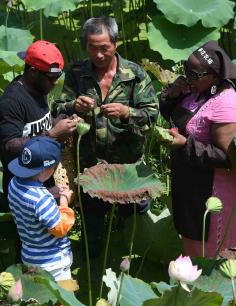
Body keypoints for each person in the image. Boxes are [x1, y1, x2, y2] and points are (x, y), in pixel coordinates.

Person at [52, 16, 159, 258]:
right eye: (92, 47)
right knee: (92, 224)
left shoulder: (134, 74)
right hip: (91, 165)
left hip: (127, 164)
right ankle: (94, 266)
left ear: (116, 44)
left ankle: (134, 263)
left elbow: (152, 116)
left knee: (135, 219)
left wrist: (126, 112)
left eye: (104, 48)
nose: (98, 55)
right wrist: (74, 105)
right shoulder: (77, 73)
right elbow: (57, 108)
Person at [159, 40, 236, 258]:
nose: (187, 78)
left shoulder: (226, 105)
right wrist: (172, 94)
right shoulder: (195, 91)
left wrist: (185, 144)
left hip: (215, 191)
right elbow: (175, 116)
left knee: (214, 254)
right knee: (194, 247)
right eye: (185, 71)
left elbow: (228, 158)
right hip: (192, 185)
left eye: (194, 74)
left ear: (213, 76)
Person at [7, 136, 76, 306]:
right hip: (53, 264)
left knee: (37, 304)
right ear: (46, 170)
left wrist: (52, 191)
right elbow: (59, 227)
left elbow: (32, 203)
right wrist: (63, 199)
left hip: (30, 256)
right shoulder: (41, 199)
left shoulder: (14, 184)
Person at [0, 40, 78, 200]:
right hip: (24, 192)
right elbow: (9, 145)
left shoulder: (39, 88)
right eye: (52, 78)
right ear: (33, 71)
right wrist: (53, 134)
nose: (55, 83)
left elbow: (40, 123)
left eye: (58, 77)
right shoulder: (11, 102)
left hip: (44, 181)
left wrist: (63, 122)